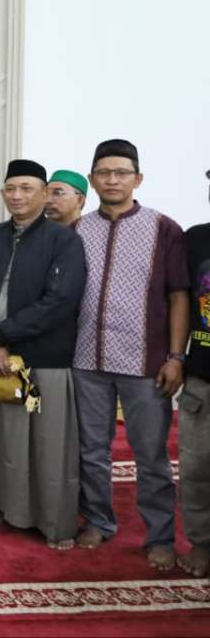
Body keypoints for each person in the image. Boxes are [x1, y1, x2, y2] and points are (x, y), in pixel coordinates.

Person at [72, 139, 189, 571]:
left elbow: (179, 296)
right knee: (91, 450)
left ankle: (160, 536)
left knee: (151, 455)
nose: (112, 180)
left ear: (137, 179)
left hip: (146, 363)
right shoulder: (78, 230)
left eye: (121, 173)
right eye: (104, 173)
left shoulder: (163, 229)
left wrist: (176, 356)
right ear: (92, 179)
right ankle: (99, 521)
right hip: (86, 359)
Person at [0, 159, 87, 549]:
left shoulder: (63, 241)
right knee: (0, 435)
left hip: (39, 363)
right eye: (11, 188)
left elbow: (60, 301)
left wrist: (1, 335)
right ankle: (2, 506)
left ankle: (51, 522)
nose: (16, 196)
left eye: (26, 188)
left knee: (44, 442)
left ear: (44, 193)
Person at [180, 168, 210, 577]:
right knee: (198, 466)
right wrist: (175, 356)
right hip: (203, 372)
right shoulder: (195, 239)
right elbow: (180, 301)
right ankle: (202, 544)